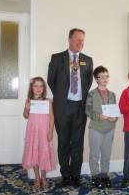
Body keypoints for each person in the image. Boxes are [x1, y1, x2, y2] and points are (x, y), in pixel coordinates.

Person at [47, 28, 93, 187]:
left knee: (78, 144)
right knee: (64, 144)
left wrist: (79, 98)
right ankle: (65, 175)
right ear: (69, 39)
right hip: (62, 108)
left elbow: (88, 82)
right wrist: (62, 98)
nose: (80, 43)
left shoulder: (87, 60)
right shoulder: (57, 58)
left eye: (82, 40)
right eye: (77, 39)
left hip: (80, 108)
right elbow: (51, 81)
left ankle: (76, 175)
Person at [85, 66, 118, 189]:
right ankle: (95, 176)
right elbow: (88, 110)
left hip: (109, 128)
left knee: (106, 153)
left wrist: (115, 118)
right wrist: (98, 115)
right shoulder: (91, 94)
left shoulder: (112, 94)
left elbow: (115, 110)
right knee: (94, 154)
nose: (105, 79)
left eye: (107, 76)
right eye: (102, 76)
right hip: (96, 128)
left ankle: (105, 175)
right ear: (96, 79)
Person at [22, 77, 56, 191]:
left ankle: (44, 178)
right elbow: (26, 116)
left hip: (44, 132)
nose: (38, 88)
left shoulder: (47, 101)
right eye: (35, 86)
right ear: (32, 88)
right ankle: (37, 178)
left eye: (41, 86)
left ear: (44, 88)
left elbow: (51, 118)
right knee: (35, 155)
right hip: (33, 133)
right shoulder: (29, 101)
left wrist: (50, 131)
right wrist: (26, 109)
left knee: (43, 154)